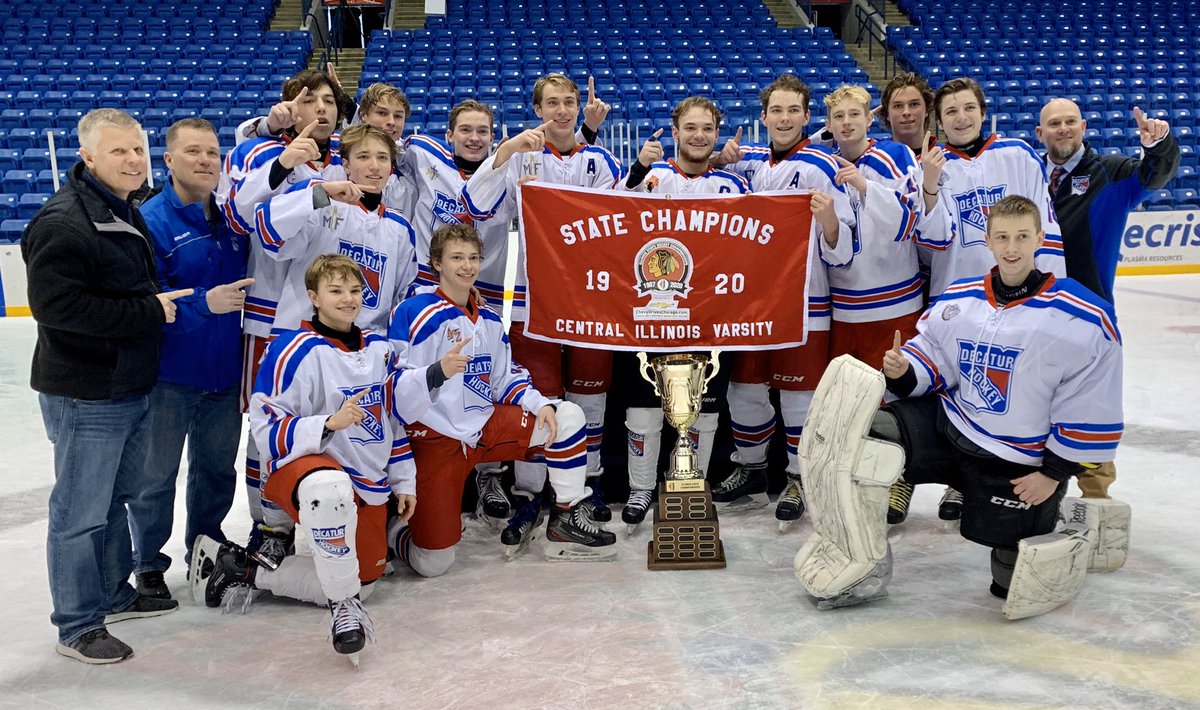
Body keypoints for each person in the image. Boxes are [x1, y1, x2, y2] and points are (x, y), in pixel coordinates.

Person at [191, 254, 455, 666]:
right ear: (313, 296)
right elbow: (264, 425)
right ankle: (344, 611)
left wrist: (403, 481)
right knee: (331, 491)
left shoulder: (379, 349)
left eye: (354, 291)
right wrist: (326, 424)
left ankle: (242, 569)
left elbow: (392, 420)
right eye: (335, 291)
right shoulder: (291, 349)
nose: (348, 299)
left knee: (365, 580)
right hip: (305, 469)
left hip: (362, 479)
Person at [878, 195, 1121, 599]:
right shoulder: (961, 298)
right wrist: (906, 372)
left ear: (1040, 239)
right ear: (988, 240)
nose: (1012, 248)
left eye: (1022, 237)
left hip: (1015, 464)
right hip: (951, 431)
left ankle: (1056, 526)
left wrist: (1053, 473)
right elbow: (936, 357)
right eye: (1003, 237)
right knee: (873, 432)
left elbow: (1090, 401)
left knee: (1008, 587)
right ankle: (861, 550)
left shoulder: (1082, 316)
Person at [22, 108, 187, 664]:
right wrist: (148, 311)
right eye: (118, 151)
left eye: (137, 149)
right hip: (86, 392)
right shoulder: (64, 221)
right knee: (78, 513)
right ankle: (77, 625)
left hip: (128, 385)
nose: (133, 160)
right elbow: (56, 308)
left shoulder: (121, 208)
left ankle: (114, 590)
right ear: (87, 156)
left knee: (113, 497)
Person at [460, 73, 621, 553]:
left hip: (592, 303)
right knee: (540, 400)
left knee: (590, 403)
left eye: (569, 102)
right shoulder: (519, 158)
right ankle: (529, 494)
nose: (562, 110)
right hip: (534, 303)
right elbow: (474, 206)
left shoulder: (601, 161)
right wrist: (503, 153)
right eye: (552, 102)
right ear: (537, 109)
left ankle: (582, 494)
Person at [387, 225, 612, 563]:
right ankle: (395, 532)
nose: (467, 266)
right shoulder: (413, 312)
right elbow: (394, 391)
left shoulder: (490, 318)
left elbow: (504, 379)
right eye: (457, 258)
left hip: (485, 429)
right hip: (437, 440)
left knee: (565, 416)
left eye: (473, 258)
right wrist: (436, 372)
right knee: (433, 563)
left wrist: (539, 404)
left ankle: (565, 516)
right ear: (437, 263)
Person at [710, 73, 854, 528]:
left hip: (805, 301)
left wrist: (829, 219)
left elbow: (845, 247)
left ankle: (798, 475)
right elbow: (704, 172)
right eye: (777, 110)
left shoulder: (822, 167)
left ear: (807, 117)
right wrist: (719, 155)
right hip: (751, 302)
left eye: (794, 110)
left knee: (799, 396)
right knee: (745, 389)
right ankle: (752, 468)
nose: (785, 117)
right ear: (764, 116)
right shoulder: (750, 163)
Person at [222, 68, 350, 546]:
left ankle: (323, 514)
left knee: (322, 418)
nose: (321, 108)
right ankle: (267, 523)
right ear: (288, 107)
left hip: (329, 321)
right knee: (268, 424)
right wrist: (279, 160)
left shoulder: (342, 160)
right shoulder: (258, 151)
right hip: (271, 319)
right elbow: (235, 214)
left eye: (329, 102)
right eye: (309, 99)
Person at [127, 118, 252, 600]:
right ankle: (148, 565)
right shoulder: (151, 220)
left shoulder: (229, 217)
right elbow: (145, 298)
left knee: (216, 471)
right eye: (193, 152)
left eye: (212, 154)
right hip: (170, 377)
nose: (205, 161)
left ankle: (207, 547)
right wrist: (204, 302)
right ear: (169, 160)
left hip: (223, 373)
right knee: (156, 476)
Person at [1036, 98, 1178, 499]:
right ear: (1040, 133)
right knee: (1034, 401)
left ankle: (1095, 495)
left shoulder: (1111, 172)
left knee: (1090, 404)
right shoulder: (1028, 174)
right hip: (1033, 311)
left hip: (1089, 314)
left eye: (1070, 122)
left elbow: (1154, 175)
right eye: (1054, 123)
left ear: (1083, 127)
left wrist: (1158, 146)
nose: (1063, 129)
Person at [617, 96, 747, 531]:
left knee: (703, 412)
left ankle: (688, 488)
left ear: (716, 133)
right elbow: (608, 210)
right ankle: (639, 490)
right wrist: (636, 169)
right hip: (652, 315)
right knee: (643, 412)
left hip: (709, 321)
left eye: (707, 128)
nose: (699, 135)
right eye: (690, 128)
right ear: (675, 133)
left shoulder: (731, 187)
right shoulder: (650, 176)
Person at [250, 123, 418, 335]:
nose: (374, 166)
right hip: (305, 340)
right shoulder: (320, 203)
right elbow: (268, 229)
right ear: (346, 166)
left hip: (367, 350)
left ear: (391, 168)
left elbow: (402, 297)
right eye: (364, 157)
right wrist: (320, 194)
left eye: (383, 158)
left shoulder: (401, 228)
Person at [916, 77, 1065, 297]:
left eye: (970, 107)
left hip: (1021, 293)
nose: (962, 117)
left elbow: (1045, 227)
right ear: (938, 121)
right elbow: (928, 244)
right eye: (951, 111)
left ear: (983, 113)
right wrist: (928, 184)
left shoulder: (1019, 155)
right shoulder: (927, 165)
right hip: (954, 295)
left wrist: (1050, 293)